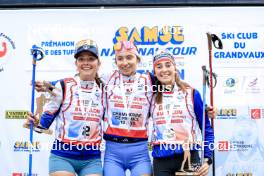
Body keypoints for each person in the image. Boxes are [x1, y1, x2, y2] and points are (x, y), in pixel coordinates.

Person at [25, 39, 104, 176]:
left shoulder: (104, 89)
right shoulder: (63, 86)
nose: (86, 63)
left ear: (98, 63)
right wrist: (34, 123)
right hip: (62, 156)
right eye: (81, 59)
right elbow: (42, 125)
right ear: (76, 64)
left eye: (91, 59)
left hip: (92, 159)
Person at [150, 50, 215, 176]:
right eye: (159, 66)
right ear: (155, 72)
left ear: (175, 68)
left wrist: (207, 159)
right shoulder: (150, 95)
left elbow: (206, 129)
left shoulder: (192, 94)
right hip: (161, 160)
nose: (164, 70)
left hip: (189, 157)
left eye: (168, 65)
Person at [102, 40, 153, 176]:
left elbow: (174, 86)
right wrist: (49, 85)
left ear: (138, 59)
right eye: (120, 59)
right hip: (113, 153)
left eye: (129, 57)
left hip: (140, 152)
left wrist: (205, 108)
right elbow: (79, 81)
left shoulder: (149, 80)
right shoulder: (107, 78)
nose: (125, 63)